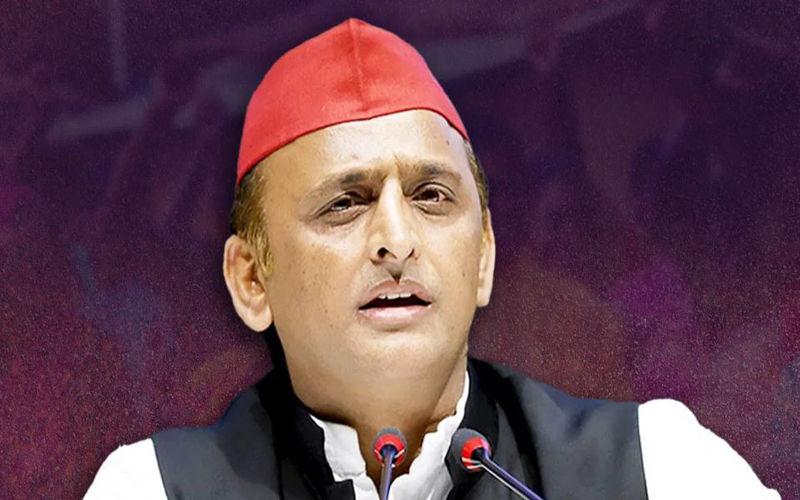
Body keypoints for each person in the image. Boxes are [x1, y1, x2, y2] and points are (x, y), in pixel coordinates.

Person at [84, 19, 780, 499]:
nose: (397, 239)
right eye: (344, 203)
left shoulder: (657, 468)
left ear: (483, 258)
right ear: (251, 280)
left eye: (432, 196)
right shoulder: (155, 488)